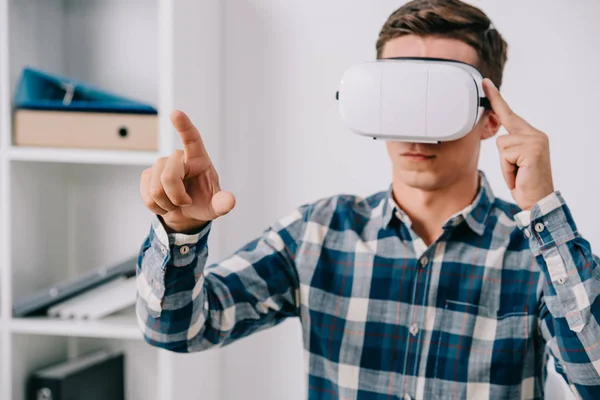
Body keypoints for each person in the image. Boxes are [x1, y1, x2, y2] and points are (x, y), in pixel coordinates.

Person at [136, 1, 600, 399]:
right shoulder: (318, 233)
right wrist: (181, 233)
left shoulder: (538, 255)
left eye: (442, 98)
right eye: (399, 93)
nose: (417, 127)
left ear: (491, 117)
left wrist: (544, 212)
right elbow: (176, 329)